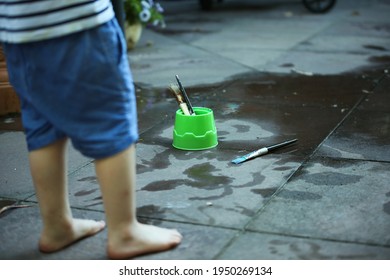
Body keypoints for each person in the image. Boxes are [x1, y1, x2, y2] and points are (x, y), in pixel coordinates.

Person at [1, 0, 182, 259]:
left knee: (43, 127)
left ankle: (56, 226)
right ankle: (125, 232)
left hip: (19, 33)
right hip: (77, 25)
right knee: (111, 121)